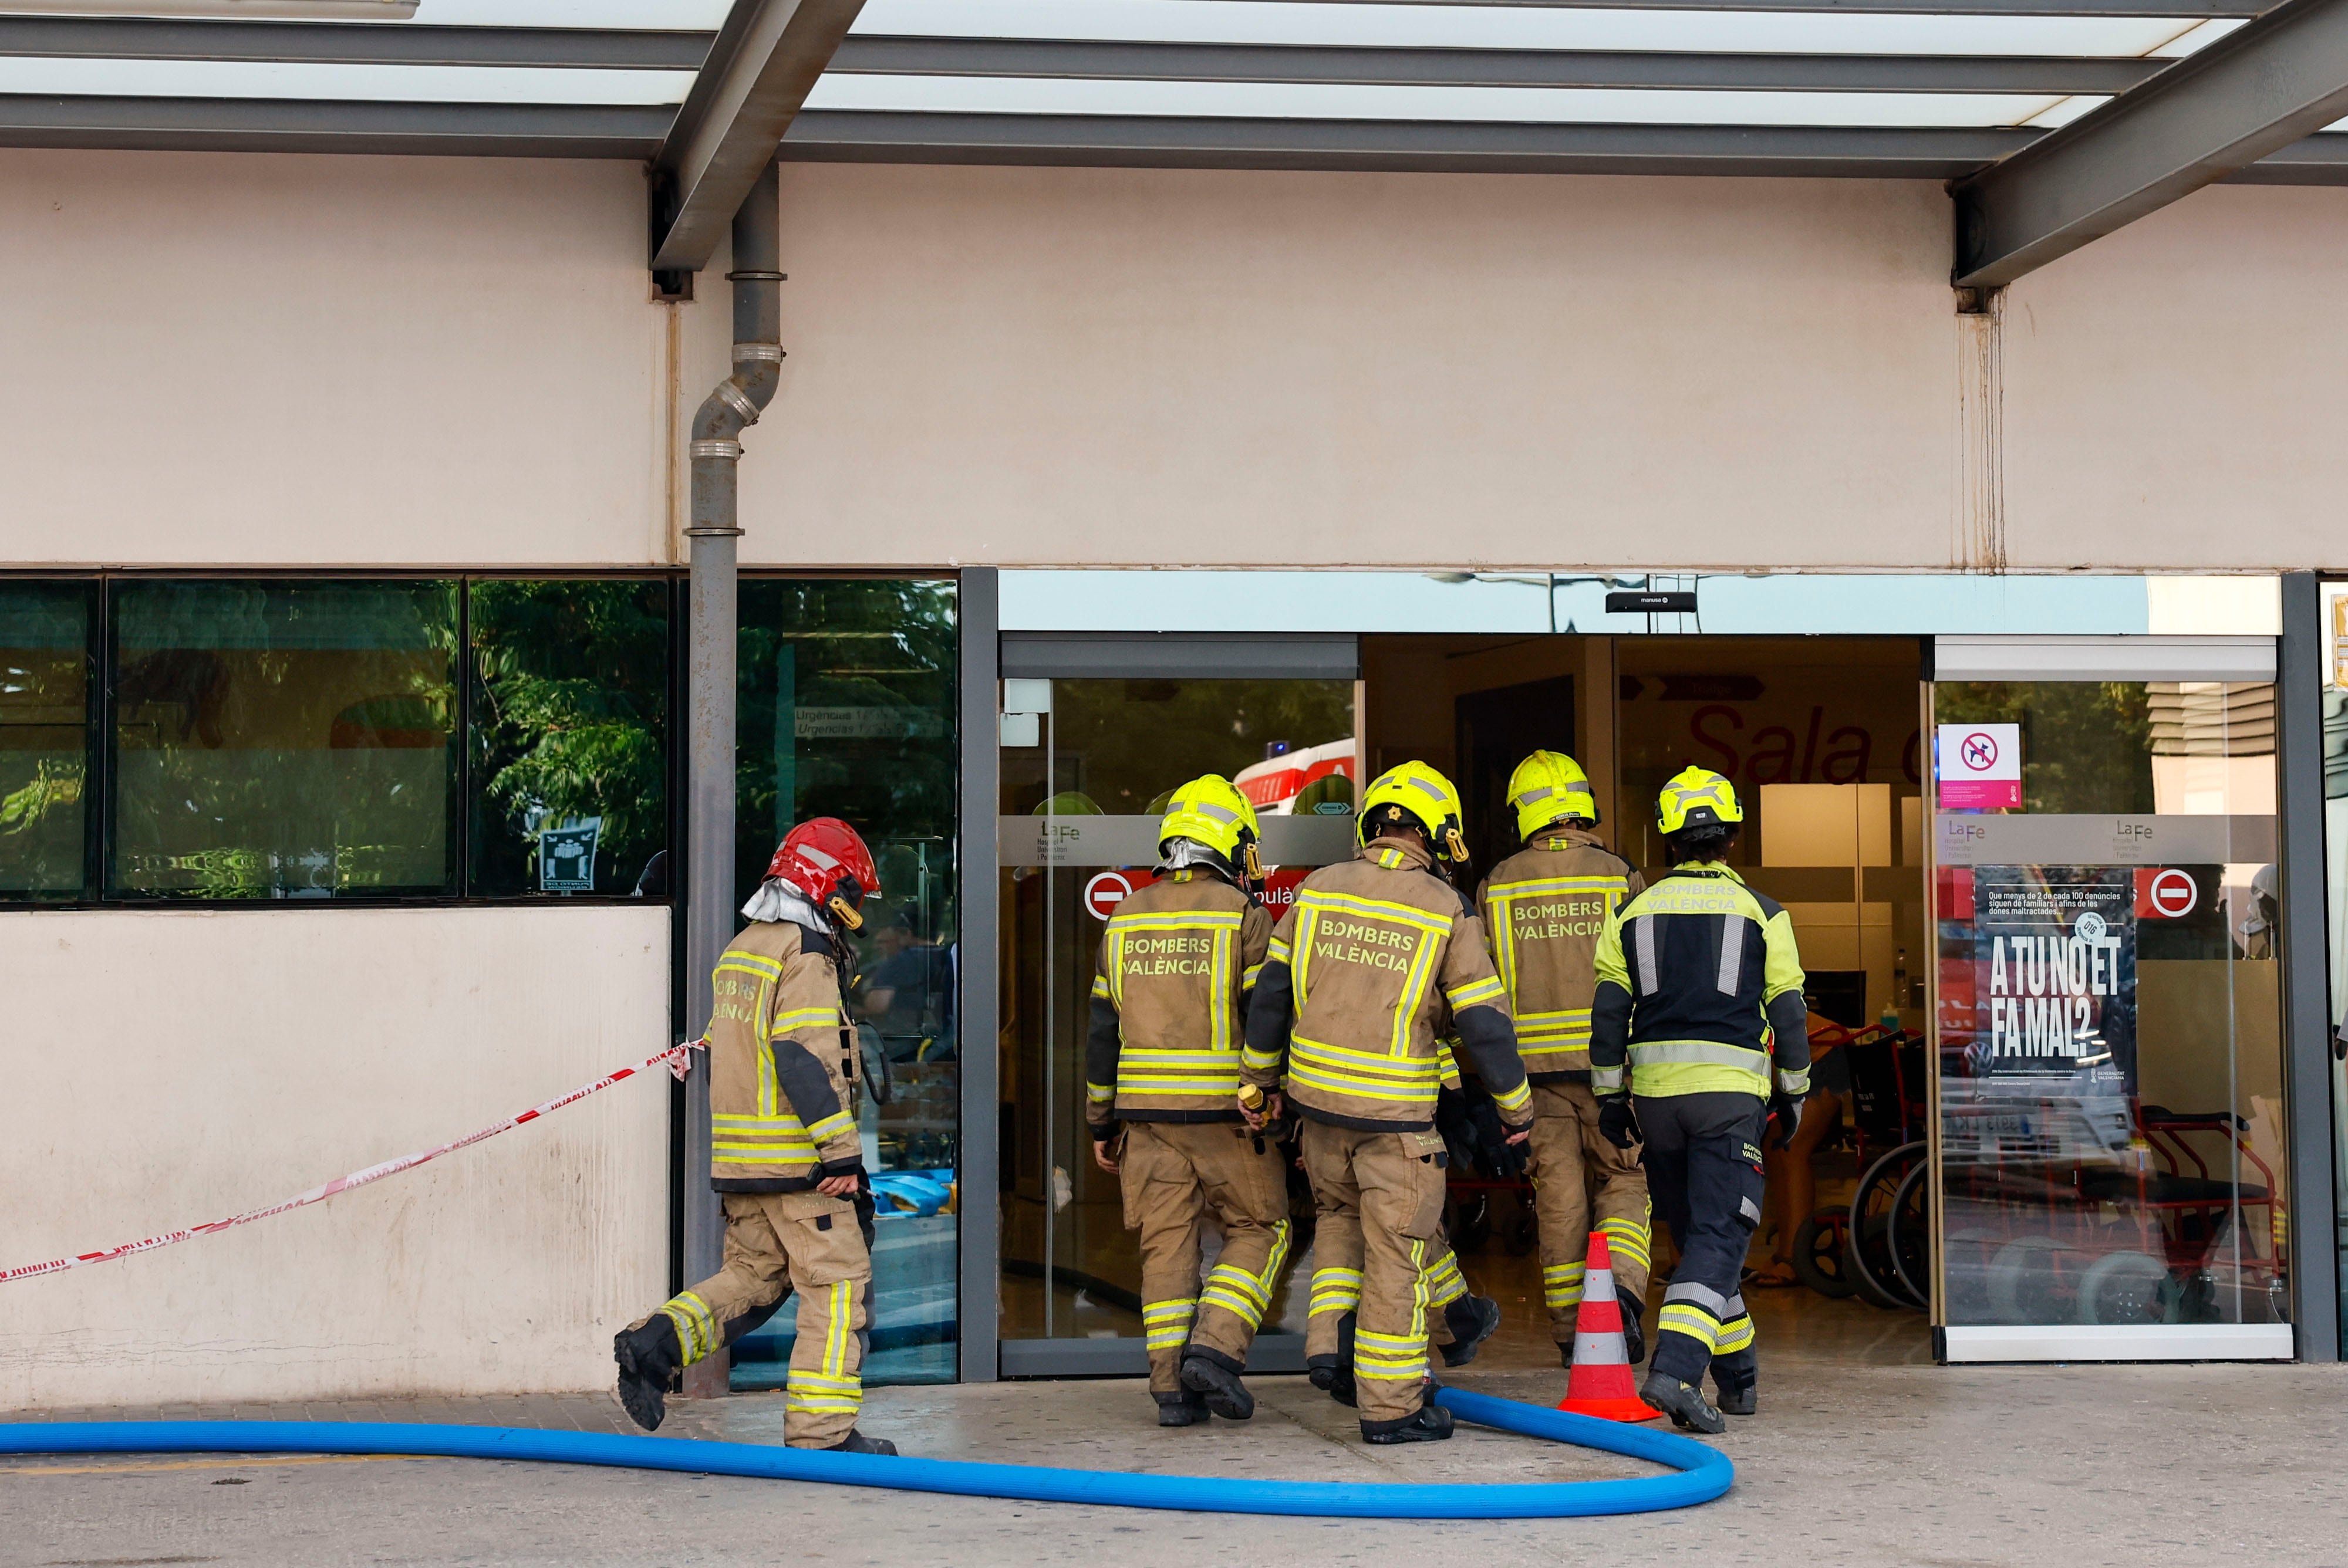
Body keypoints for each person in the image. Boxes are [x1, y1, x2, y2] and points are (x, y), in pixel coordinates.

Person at [1242, 761, 1533, 1445]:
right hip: (1395, 1120)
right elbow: (1484, 1023)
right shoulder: (1444, 906)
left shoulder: (1315, 890)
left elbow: (1271, 1000)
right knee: (1399, 1255)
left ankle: (1326, 1349)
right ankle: (1392, 1406)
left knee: (1342, 1225)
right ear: (1438, 831)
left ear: (1374, 822)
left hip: (1318, 1114)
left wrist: (1261, 1083)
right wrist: (1516, 1109)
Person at [611, 818, 899, 1456]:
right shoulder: (805, 953)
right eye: (852, 892)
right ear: (827, 882)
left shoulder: (744, 947)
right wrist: (840, 1152)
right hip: (801, 1166)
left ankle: (651, 1345)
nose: (855, 910)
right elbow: (801, 1054)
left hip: (744, 1162)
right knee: (838, 1286)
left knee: (754, 1275)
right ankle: (822, 1436)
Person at [1589, 768, 1809, 1434]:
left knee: (1696, 1242)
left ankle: (1738, 1376)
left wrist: (1608, 1097)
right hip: (1728, 1102)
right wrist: (1794, 1092)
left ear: (1667, 837)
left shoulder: (1629, 913)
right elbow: (1791, 1015)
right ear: (1732, 835)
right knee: (1720, 1238)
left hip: (1656, 1103)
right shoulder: (1764, 914)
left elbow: (1606, 1016)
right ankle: (1677, 1370)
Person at [1084, 775, 1288, 1427]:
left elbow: (1100, 1028)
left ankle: (1171, 1388)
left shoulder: (1125, 914)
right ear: (1230, 842)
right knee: (1261, 1227)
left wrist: (1099, 1118)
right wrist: (1266, 1091)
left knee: (1164, 1246)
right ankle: (1216, 1346)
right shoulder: (1243, 914)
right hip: (1229, 1116)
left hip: (1144, 1118)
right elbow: (1265, 1014)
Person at [1475, 749, 1651, 1366]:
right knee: (1625, 1181)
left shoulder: (1496, 882)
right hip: (1613, 1073)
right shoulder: (1619, 874)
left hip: (1534, 1078)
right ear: (1584, 805)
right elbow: (1643, 974)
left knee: (1559, 1200)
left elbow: (1480, 986)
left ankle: (1568, 1334)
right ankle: (1623, 1297)